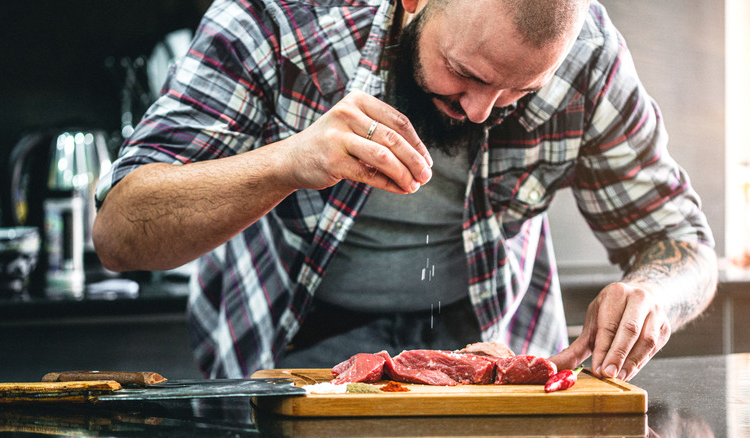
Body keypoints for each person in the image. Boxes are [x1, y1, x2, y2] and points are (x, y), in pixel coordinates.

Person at [93, 0, 717, 383]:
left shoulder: (590, 58)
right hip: (298, 346)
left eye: (519, 94)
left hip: (493, 355)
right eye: (467, 74)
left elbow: (681, 239)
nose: (480, 112)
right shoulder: (276, 22)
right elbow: (119, 234)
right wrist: (288, 160)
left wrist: (652, 292)